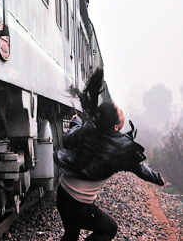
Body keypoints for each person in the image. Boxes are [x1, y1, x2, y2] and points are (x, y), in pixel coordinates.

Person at [54, 68, 165, 241]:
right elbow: (140, 169)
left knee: (71, 234)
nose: (122, 111)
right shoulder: (121, 149)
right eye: (120, 112)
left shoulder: (89, 129)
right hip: (79, 203)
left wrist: (76, 123)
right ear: (115, 127)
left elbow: (68, 140)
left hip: (63, 194)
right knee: (109, 229)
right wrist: (158, 178)